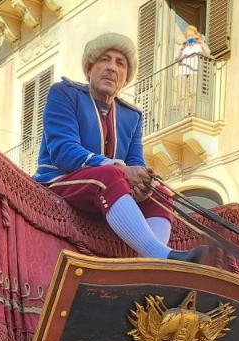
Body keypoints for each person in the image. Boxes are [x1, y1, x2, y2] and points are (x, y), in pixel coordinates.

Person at [34, 33, 207, 265]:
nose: (111, 68)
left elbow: (136, 163)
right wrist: (119, 170)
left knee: (159, 194)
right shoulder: (64, 93)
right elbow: (63, 151)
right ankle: (160, 257)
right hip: (59, 181)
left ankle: (150, 267)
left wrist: (143, 184)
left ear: (126, 78)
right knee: (110, 174)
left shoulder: (132, 115)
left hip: (108, 186)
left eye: (120, 63)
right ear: (89, 70)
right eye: (104, 60)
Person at [174, 26, 211, 111]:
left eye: (192, 35)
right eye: (188, 36)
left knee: (194, 93)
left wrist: (200, 41)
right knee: (182, 95)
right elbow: (176, 59)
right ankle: (184, 114)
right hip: (181, 72)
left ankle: (194, 112)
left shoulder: (198, 46)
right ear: (186, 37)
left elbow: (208, 52)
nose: (190, 37)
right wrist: (181, 47)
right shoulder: (183, 48)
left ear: (195, 36)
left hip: (193, 72)